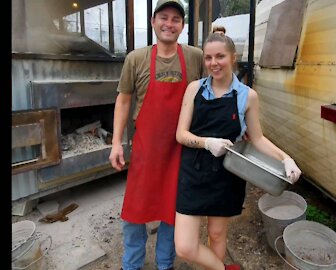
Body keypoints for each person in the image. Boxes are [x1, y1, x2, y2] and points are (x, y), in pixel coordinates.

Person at [173, 31, 302, 270]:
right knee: (184, 246)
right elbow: (181, 134)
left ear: (233, 57)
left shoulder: (248, 96)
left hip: (226, 175)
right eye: (208, 58)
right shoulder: (194, 89)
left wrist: (287, 159)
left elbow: (258, 138)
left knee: (217, 235)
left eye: (220, 56)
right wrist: (206, 142)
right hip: (193, 172)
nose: (213, 63)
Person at [108, 1, 204, 269]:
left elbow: (211, 92)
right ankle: (132, 264)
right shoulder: (136, 58)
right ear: (153, 22)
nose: (169, 24)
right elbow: (124, 100)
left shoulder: (195, 57)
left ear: (182, 26)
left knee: (173, 211)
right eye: (164, 17)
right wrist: (116, 143)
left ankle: (165, 263)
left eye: (176, 19)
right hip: (146, 148)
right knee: (135, 211)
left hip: (181, 149)